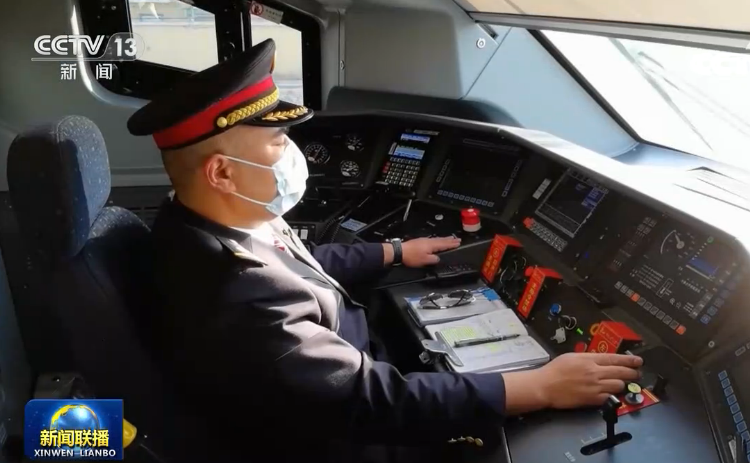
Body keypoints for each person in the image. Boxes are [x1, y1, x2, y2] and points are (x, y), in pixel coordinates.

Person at [127, 39, 642, 463]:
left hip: (329, 382)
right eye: (278, 140)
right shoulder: (232, 289)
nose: (292, 153)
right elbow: (369, 399)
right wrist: (539, 387)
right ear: (221, 172)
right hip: (341, 439)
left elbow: (297, 266)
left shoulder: (202, 220)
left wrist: (393, 253)